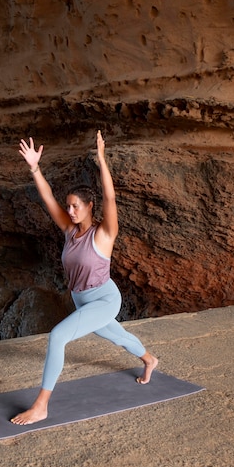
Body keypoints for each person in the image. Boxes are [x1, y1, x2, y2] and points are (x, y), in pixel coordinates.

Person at [11, 130, 158, 425]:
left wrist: (102, 160)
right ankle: (149, 360)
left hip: (103, 298)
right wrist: (35, 168)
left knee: (58, 336)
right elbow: (47, 197)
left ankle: (41, 405)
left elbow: (110, 195)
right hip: (82, 300)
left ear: (90, 206)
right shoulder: (69, 230)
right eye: (69, 206)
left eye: (76, 205)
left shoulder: (104, 234)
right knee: (116, 335)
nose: (70, 210)